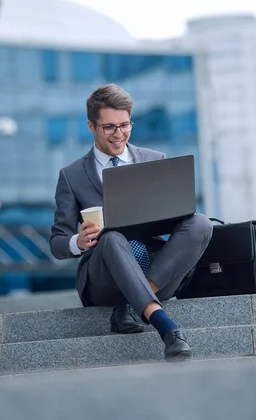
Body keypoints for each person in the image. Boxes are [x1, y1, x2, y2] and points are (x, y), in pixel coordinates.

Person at [50, 84, 213, 361]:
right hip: (103, 276)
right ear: (91, 126)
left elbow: (175, 221)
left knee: (201, 222)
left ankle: (130, 304)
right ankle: (166, 326)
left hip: (154, 269)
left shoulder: (155, 160)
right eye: (109, 127)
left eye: (125, 126)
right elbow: (56, 243)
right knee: (112, 237)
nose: (119, 135)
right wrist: (76, 242)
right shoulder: (72, 175)